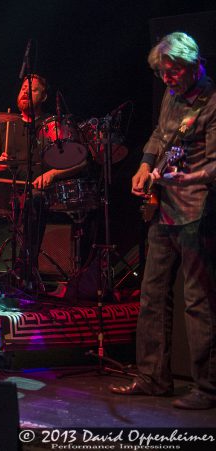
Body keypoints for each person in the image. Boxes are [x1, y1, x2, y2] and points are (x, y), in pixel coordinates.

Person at [112, 32, 216, 410]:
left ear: (194, 64)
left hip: (197, 211)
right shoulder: (173, 94)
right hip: (163, 208)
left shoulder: (212, 102)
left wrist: (190, 178)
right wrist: (144, 165)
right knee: (152, 296)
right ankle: (153, 377)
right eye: (162, 73)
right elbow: (161, 134)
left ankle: (208, 387)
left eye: (173, 72)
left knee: (198, 301)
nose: (167, 79)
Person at [0, 74, 84, 291]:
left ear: (44, 96)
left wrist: (53, 174)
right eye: (23, 88)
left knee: (34, 201)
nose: (25, 93)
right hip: (8, 192)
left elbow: (80, 161)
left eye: (33, 90)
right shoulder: (6, 124)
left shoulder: (52, 125)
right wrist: (1, 165)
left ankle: (25, 270)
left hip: (41, 192)